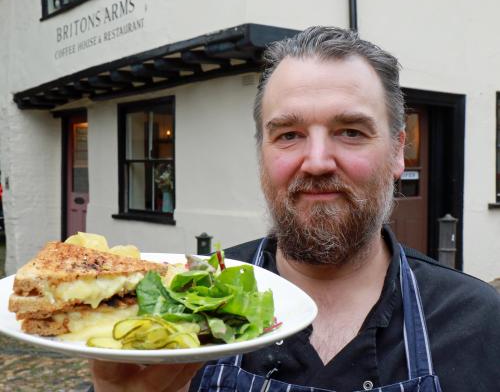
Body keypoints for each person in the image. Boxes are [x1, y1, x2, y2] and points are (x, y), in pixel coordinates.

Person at [89, 26, 500, 392]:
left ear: (397, 154)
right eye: (289, 134)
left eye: (351, 132)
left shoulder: (480, 324)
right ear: (262, 154)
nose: (317, 161)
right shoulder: (180, 305)